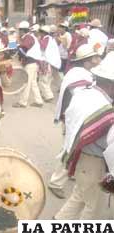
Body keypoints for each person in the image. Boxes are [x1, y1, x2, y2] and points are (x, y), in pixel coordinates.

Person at [54, 53, 114, 219]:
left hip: (81, 158)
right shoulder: (104, 108)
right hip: (94, 162)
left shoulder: (86, 94)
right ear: (111, 84)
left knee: (79, 196)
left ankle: (58, 221)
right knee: (93, 209)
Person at [49, 44, 101, 199]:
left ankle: (71, 171)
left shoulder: (80, 73)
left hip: (76, 118)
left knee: (72, 148)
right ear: (86, 61)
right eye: (95, 58)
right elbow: (84, 99)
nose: (98, 60)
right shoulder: (80, 76)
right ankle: (56, 182)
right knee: (70, 149)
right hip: (75, 119)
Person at [13, 21, 43, 108]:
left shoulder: (28, 37)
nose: (19, 32)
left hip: (31, 62)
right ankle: (39, 101)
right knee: (33, 83)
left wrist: (15, 47)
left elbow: (23, 49)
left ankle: (22, 102)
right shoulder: (28, 37)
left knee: (26, 83)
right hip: (33, 62)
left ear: (23, 31)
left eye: (20, 30)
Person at [38, 25, 61, 103]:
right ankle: (45, 95)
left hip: (47, 62)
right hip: (53, 63)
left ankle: (48, 96)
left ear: (43, 33)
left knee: (42, 80)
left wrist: (38, 41)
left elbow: (42, 48)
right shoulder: (51, 39)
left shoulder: (45, 39)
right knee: (47, 81)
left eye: (40, 32)